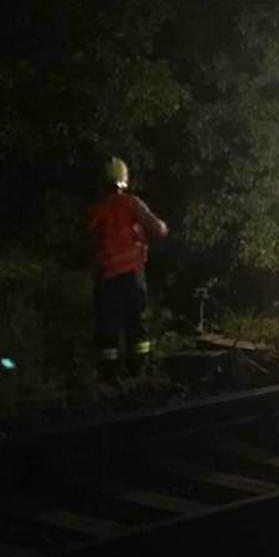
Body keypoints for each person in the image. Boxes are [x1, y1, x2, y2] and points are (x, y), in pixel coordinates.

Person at [88, 156, 168, 389]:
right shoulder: (131, 203)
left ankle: (109, 378)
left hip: (105, 278)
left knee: (108, 329)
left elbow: (89, 242)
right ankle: (138, 373)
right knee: (136, 324)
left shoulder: (96, 210)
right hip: (131, 275)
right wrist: (162, 228)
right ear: (124, 179)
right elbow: (156, 228)